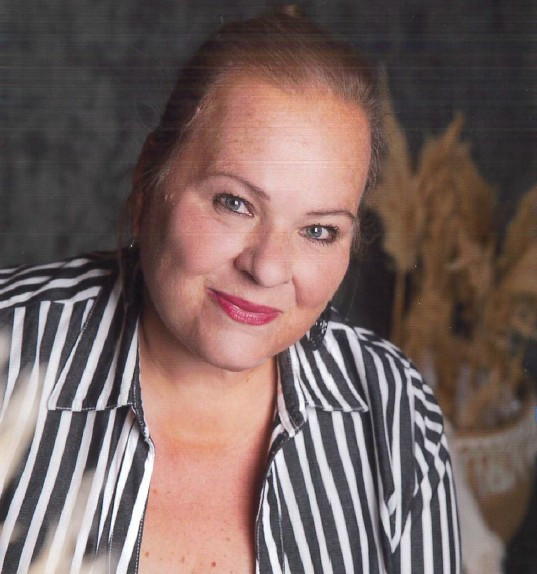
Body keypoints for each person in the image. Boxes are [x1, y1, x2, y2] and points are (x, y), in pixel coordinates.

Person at [0, 7, 460, 573]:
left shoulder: (395, 409)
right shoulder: (7, 352)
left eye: (318, 231)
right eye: (234, 203)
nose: (267, 268)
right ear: (149, 182)